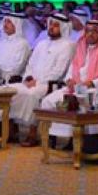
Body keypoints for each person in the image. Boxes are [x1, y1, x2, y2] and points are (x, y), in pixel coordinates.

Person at [38, 20, 98, 138]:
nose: (90, 34)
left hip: (96, 90)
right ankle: (53, 137)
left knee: (81, 103)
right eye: (88, 31)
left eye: (94, 32)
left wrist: (92, 83)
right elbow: (72, 68)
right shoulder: (81, 48)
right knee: (48, 101)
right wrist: (69, 80)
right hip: (76, 88)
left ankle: (79, 139)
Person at [14, 14, 77, 147]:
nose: (51, 27)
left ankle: (32, 133)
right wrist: (28, 78)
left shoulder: (68, 45)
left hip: (50, 84)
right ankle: (10, 129)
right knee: (12, 90)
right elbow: (30, 64)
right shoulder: (41, 43)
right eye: (50, 24)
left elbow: (59, 71)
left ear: (63, 28)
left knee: (32, 94)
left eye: (55, 25)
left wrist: (38, 81)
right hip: (32, 81)